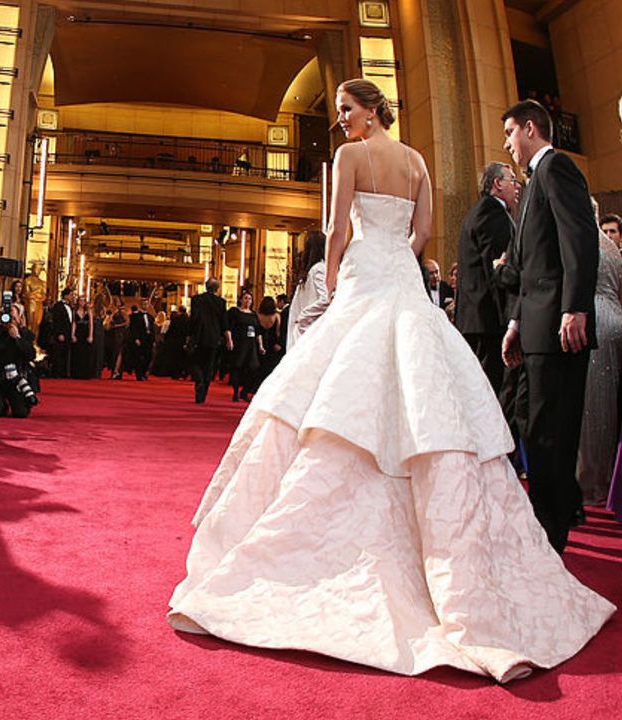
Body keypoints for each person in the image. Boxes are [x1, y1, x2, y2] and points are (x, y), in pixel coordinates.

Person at [169, 80, 613, 683]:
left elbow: (336, 232)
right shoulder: (417, 161)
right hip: (402, 281)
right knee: (427, 398)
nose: (342, 121)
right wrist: (395, 261)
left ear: (371, 109)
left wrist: (334, 285)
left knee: (334, 396)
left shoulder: (351, 157)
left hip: (364, 280)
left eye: (347, 110)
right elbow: (422, 233)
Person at [500, 99, 600, 553]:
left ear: (529, 128)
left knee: (552, 435)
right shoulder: (532, 182)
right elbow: (530, 264)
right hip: (536, 328)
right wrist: (517, 321)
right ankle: (546, 527)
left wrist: (575, 307)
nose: (507, 143)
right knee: (536, 431)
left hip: (561, 328)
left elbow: (577, 239)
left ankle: (552, 537)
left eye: (509, 133)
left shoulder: (557, 168)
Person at [455, 162, 520, 392]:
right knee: (491, 391)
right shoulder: (492, 212)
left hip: (476, 320)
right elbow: (497, 269)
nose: (517, 186)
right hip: (489, 321)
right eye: (512, 180)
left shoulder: (480, 211)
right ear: (497, 184)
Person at [576, 199, 622, 506]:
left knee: (592, 408)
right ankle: (612, 481)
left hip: (593, 323)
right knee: (613, 408)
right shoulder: (612, 247)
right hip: (617, 321)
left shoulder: (581, 241)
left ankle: (592, 484)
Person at [0, 304, 37, 418]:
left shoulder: (25, 334)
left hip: (16, 381)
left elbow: (31, 355)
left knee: (21, 413)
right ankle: (1, 404)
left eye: (12, 315)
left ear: (19, 318)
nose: (7, 319)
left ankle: (21, 402)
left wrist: (17, 337)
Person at [188, 279, 230, 403]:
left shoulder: (196, 299)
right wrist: (227, 338)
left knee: (195, 362)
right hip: (214, 338)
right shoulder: (221, 302)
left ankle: (199, 380)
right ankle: (203, 393)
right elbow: (224, 322)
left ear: (206, 287)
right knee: (209, 365)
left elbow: (194, 319)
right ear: (217, 288)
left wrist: (190, 335)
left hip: (198, 336)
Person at [287, 230, 327, 348]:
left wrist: (304, 316)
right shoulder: (316, 270)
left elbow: (325, 298)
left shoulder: (315, 271)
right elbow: (326, 298)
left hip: (307, 330)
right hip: (308, 329)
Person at [224, 289, 261, 401]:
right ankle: (235, 392)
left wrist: (260, 345)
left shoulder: (254, 314)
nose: (247, 301)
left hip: (251, 344)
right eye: (245, 298)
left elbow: (258, 331)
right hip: (239, 343)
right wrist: (229, 340)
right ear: (240, 300)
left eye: (250, 299)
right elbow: (228, 327)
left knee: (253, 367)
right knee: (237, 367)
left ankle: (245, 391)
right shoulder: (235, 311)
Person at [253, 296, 283, 391]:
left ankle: (256, 386)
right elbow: (278, 332)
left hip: (259, 343)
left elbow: (256, 330)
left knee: (259, 366)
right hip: (272, 343)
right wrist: (278, 343)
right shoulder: (276, 316)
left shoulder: (257, 315)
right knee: (270, 366)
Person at [45, 288, 75, 377]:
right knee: (58, 353)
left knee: (65, 352)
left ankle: (63, 372)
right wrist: (59, 333)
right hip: (61, 333)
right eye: (71, 295)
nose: (72, 297)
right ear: (65, 296)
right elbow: (57, 321)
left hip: (67, 332)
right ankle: (57, 372)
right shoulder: (58, 306)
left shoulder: (70, 306)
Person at [127, 303, 155, 380]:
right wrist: (136, 338)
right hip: (140, 339)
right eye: (144, 304)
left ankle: (144, 372)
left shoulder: (150, 317)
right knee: (139, 357)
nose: (145, 306)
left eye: (146, 304)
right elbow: (134, 328)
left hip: (148, 339)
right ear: (141, 305)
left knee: (148, 356)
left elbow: (152, 329)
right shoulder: (136, 316)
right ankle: (139, 374)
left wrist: (153, 340)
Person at [70, 298, 96, 379]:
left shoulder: (89, 311)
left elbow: (91, 324)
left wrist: (91, 335)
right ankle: (77, 373)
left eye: (83, 301)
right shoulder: (74, 311)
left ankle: (86, 373)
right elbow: (74, 323)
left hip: (86, 333)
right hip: (78, 333)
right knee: (77, 353)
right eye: (80, 301)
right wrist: (72, 334)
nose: (82, 302)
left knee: (86, 353)